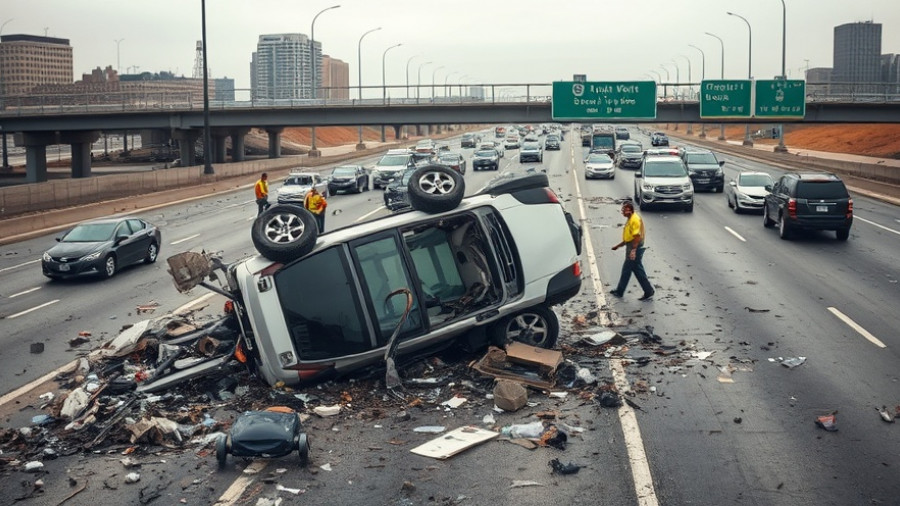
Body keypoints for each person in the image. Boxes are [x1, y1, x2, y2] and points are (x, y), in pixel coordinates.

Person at [610, 201, 655, 300]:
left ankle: (620, 291)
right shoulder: (630, 218)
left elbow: (636, 237)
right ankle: (648, 290)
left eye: (624, 210)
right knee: (637, 270)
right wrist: (618, 246)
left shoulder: (635, 220)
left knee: (627, 270)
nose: (622, 212)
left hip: (635, 247)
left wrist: (633, 251)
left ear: (630, 211)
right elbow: (628, 238)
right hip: (632, 246)